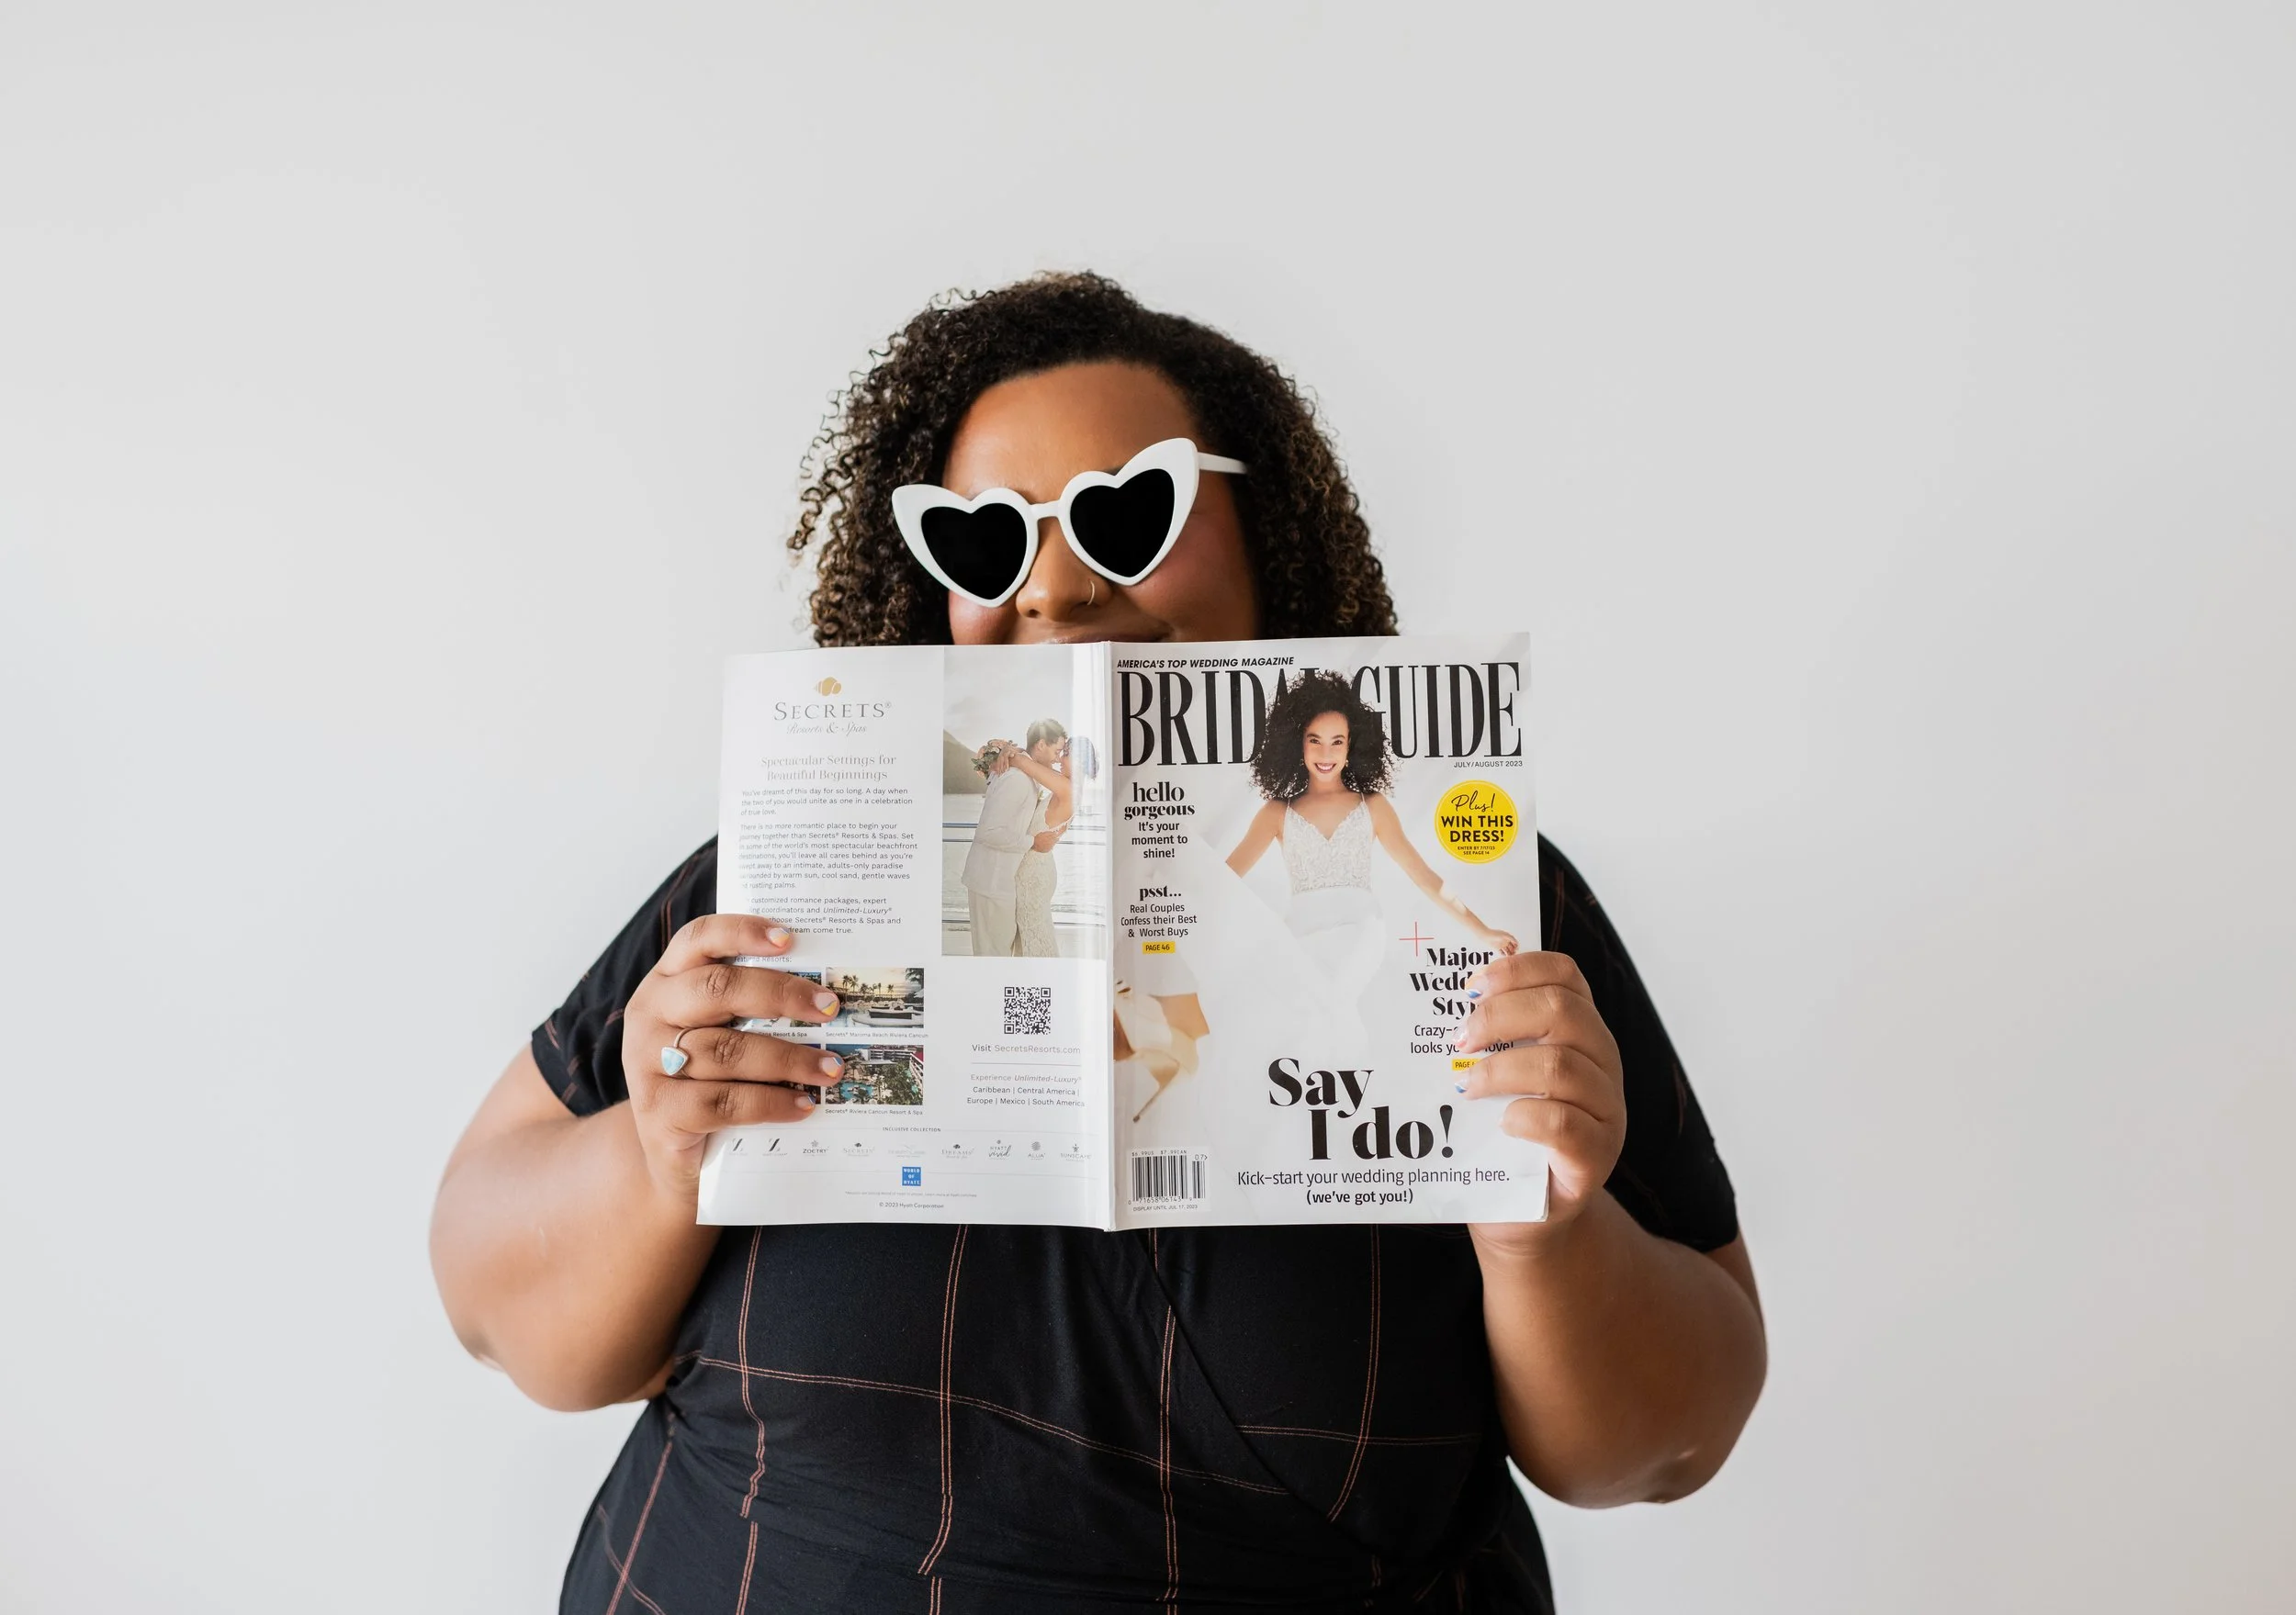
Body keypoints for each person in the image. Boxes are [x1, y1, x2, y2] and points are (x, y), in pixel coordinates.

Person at [430, 272, 1767, 1614]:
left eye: (1129, 515)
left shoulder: (1493, 908)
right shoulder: (779, 884)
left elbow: (1666, 1444)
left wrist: (1549, 1239)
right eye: (988, 543)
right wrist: (655, 1153)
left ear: (1268, 536)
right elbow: (503, 1316)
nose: (1057, 589)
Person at [1227, 668, 1518, 997]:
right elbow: (1222, 879)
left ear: (1352, 745)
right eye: (1315, 741)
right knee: (1304, 1013)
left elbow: (1423, 876)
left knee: (1327, 1003)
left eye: (1337, 742)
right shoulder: (1276, 813)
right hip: (1299, 933)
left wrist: (1483, 932)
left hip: (1358, 932)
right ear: (1298, 743)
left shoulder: (1373, 806)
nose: (1326, 754)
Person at [1006, 719, 1078, 958]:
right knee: (1032, 935)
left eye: (1064, 753)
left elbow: (1021, 762)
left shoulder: (1067, 787)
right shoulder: (1069, 787)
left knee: (1035, 937)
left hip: (1033, 876)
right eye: (1059, 752)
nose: (1059, 759)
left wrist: (1005, 750)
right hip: (1036, 870)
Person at [961, 737, 1036, 956]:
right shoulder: (1016, 778)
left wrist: (1009, 753)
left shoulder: (1018, 772)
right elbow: (990, 831)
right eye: (1058, 749)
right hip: (991, 882)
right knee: (993, 954)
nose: (1058, 757)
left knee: (996, 953)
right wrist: (1032, 842)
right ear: (1041, 745)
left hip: (996, 881)